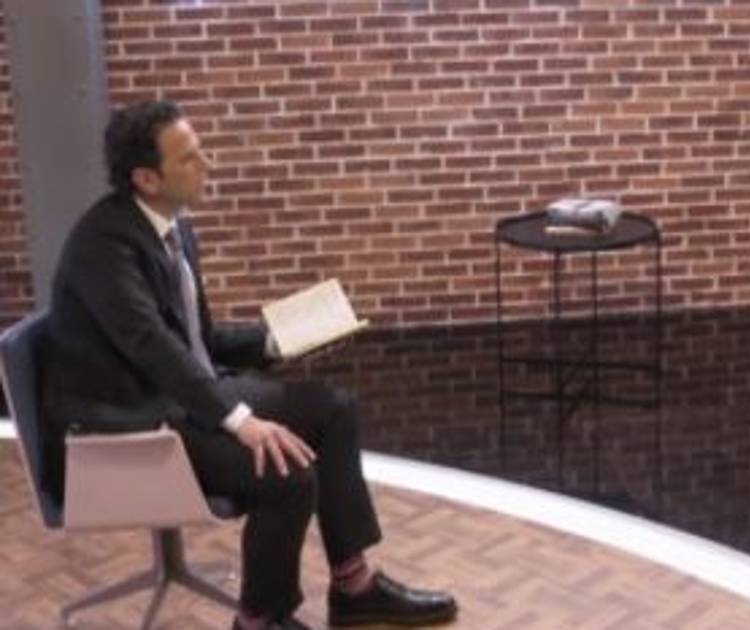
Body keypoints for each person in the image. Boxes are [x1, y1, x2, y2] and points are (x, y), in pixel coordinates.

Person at [40, 101, 458, 629]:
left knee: (332, 409)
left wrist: (276, 342)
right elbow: (153, 347)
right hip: (127, 423)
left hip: (180, 396)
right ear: (146, 178)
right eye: (190, 158)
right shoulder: (103, 246)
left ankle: (354, 586)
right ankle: (259, 619)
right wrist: (240, 420)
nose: (207, 164)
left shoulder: (171, 226)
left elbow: (198, 341)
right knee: (285, 472)